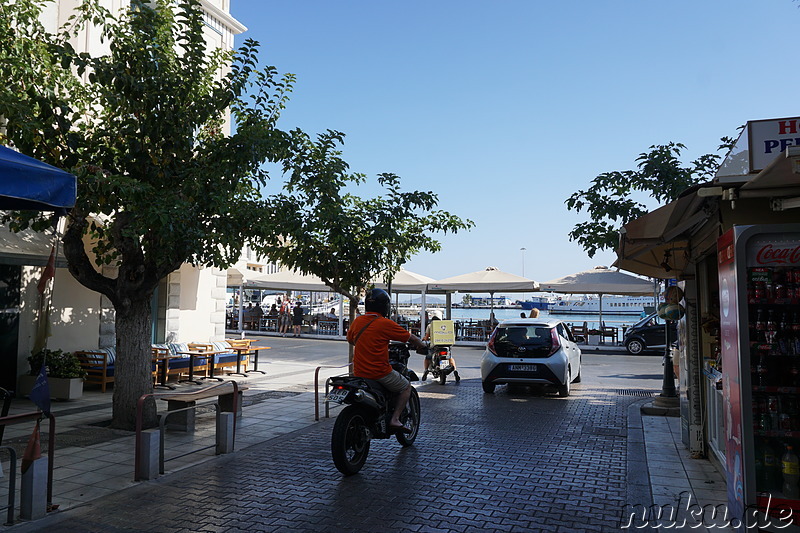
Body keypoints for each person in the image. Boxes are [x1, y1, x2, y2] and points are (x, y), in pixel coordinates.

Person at [347, 288, 426, 433]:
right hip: (379, 373)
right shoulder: (384, 323)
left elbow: (351, 340)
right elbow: (411, 338)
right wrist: (423, 345)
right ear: (385, 306)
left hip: (358, 372)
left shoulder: (358, 321)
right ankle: (395, 419)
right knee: (406, 386)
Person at [421, 316, 460, 382]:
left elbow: (427, 337)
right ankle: (455, 370)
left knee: (428, 357)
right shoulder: (445, 325)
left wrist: (424, 338)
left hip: (435, 346)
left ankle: (426, 370)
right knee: (450, 357)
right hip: (446, 345)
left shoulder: (430, 326)